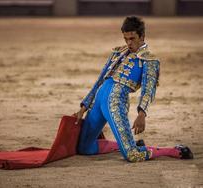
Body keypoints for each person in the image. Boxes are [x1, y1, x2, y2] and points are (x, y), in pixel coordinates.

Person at [73, 16, 193, 162]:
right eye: (126, 39)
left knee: (132, 155)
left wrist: (142, 114)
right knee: (85, 148)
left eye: (132, 38)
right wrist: (83, 107)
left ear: (142, 36)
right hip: (99, 98)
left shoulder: (150, 60)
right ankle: (126, 144)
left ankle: (174, 151)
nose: (129, 43)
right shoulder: (117, 53)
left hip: (115, 101)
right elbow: (100, 80)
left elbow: (148, 90)